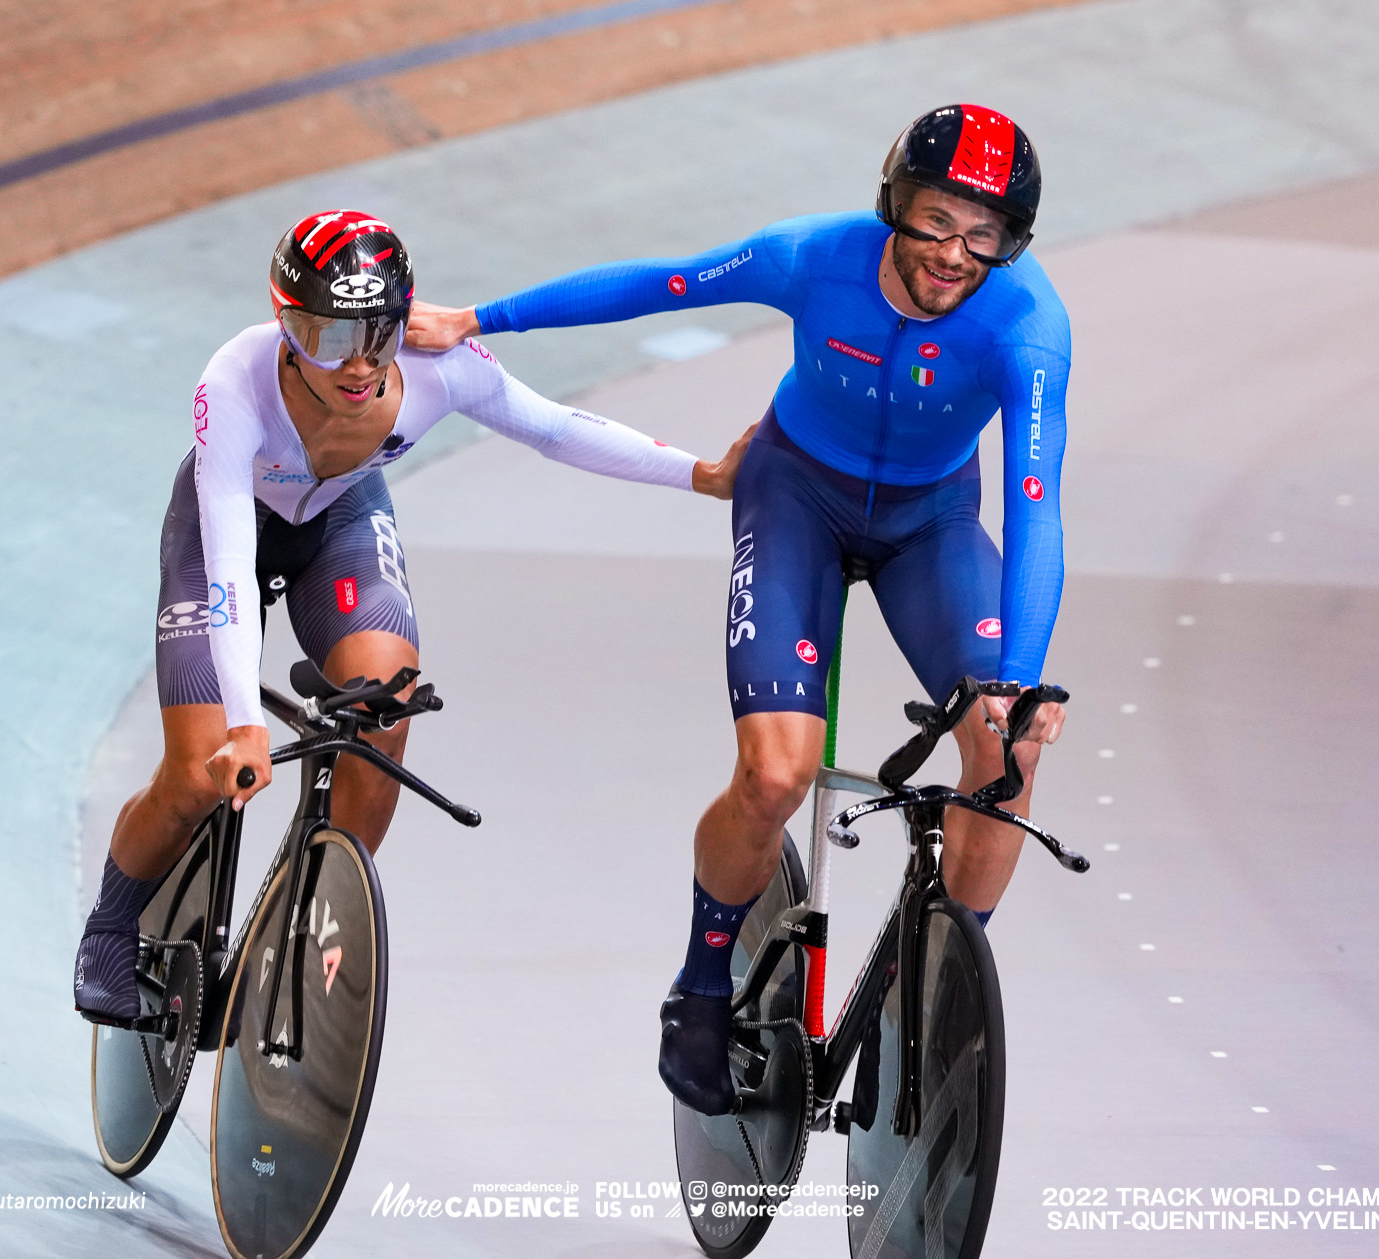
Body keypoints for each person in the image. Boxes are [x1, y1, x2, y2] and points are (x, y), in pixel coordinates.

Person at [408, 105, 1072, 1113]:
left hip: (929, 522)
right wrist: (480, 320)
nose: (953, 254)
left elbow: (1033, 503)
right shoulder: (813, 257)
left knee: (1008, 747)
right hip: (795, 491)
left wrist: (1016, 682)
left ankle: (946, 996)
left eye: (984, 237)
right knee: (774, 772)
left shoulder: (1028, 326)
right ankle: (703, 980)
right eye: (936, 220)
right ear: (895, 202)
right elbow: (659, 281)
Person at [74, 209, 749, 1022]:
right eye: (328, 339)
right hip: (229, 532)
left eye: (380, 334)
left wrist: (700, 473)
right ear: (285, 326)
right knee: (195, 773)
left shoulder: (442, 367)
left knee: (387, 700)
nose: (357, 365)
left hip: (341, 521)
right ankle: (110, 929)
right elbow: (226, 568)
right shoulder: (234, 379)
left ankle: (315, 916)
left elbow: (558, 429)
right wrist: (246, 724)